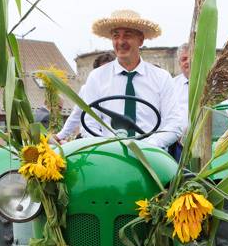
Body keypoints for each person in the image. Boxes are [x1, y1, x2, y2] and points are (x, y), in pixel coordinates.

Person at [56, 9, 183, 149]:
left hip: (151, 155)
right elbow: (89, 123)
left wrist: (148, 146)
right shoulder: (97, 77)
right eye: (116, 36)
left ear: (140, 40)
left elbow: (174, 123)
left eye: (127, 35)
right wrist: (109, 149)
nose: (121, 42)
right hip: (109, 155)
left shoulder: (161, 77)